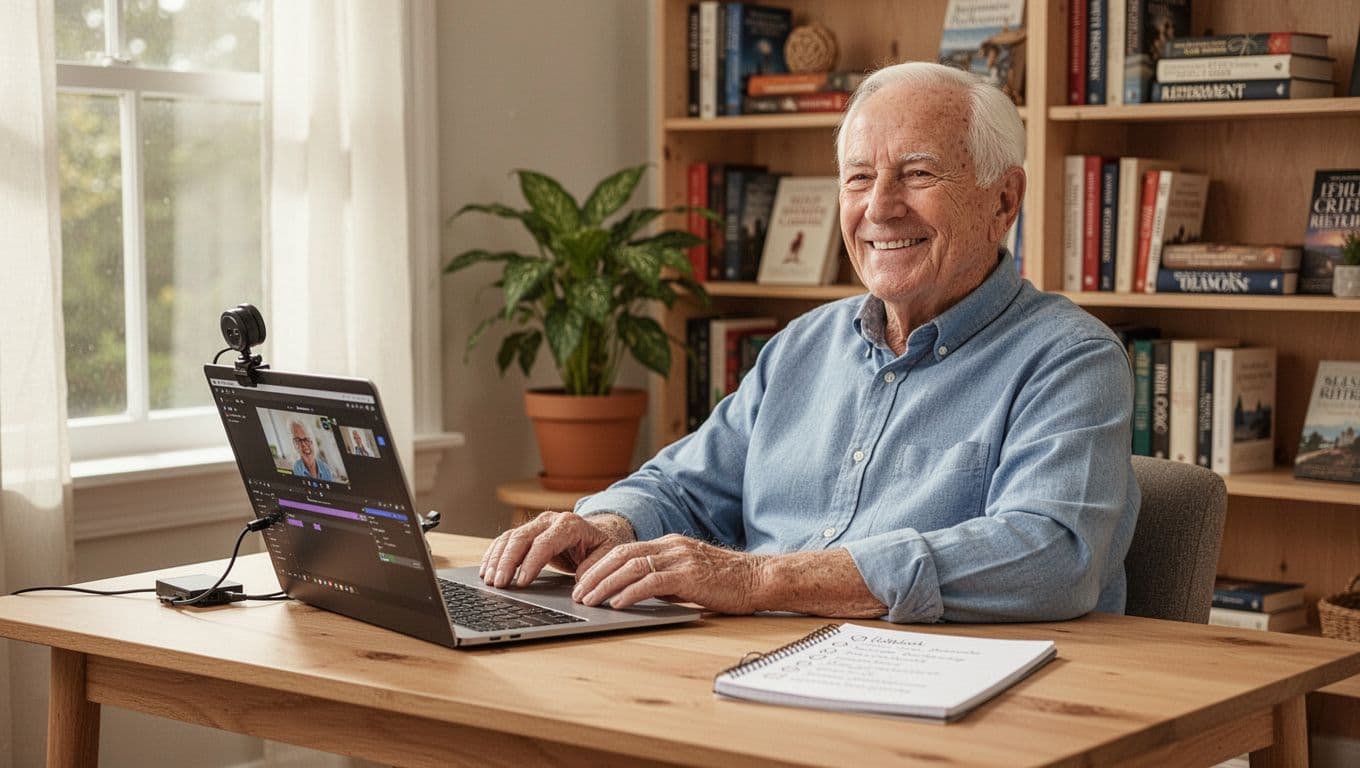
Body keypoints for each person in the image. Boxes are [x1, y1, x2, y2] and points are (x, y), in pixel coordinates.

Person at [481, 61, 1138, 624]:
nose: (879, 207)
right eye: (857, 178)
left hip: (949, 698)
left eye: (917, 174)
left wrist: (762, 580)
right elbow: (685, 487)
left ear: (1004, 200)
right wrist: (609, 527)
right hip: (753, 665)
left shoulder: (1071, 358)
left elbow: (1054, 553)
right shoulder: (804, 345)